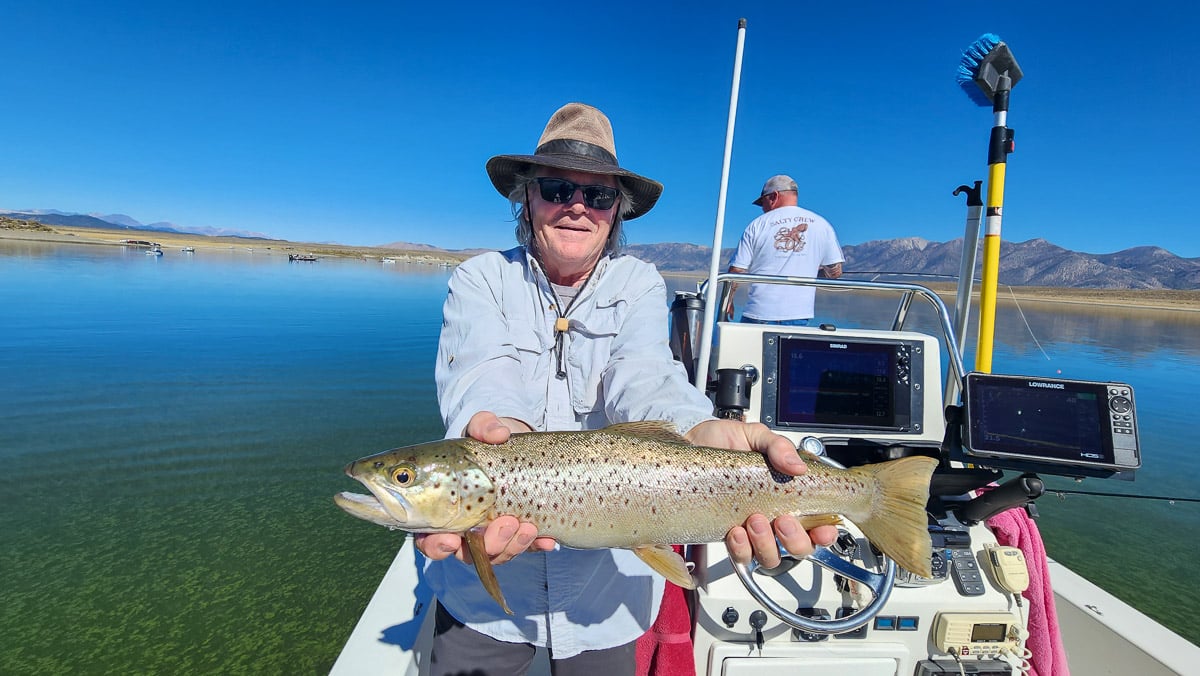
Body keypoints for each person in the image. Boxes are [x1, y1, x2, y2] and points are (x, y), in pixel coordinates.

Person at [416, 103, 837, 675]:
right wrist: (500, 430)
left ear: (617, 212)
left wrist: (696, 429)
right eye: (558, 188)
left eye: (598, 196)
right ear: (526, 198)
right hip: (483, 598)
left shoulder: (638, 281)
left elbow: (646, 375)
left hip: (604, 601)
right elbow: (482, 374)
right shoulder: (480, 278)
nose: (577, 208)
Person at [727, 175, 845, 325]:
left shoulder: (757, 225)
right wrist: (809, 273)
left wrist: (728, 302)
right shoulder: (823, 225)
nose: (763, 208)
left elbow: (737, 270)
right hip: (799, 315)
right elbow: (835, 272)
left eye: (762, 202)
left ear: (774, 196)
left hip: (758, 314)